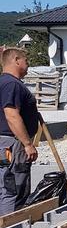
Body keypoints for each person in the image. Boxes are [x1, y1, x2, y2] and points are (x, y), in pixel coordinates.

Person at [0, 48, 42, 215]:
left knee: (6, 187)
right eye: (26, 60)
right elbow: (11, 115)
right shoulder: (12, 84)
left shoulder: (4, 82)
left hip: (6, 142)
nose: (28, 64)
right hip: (13, 143)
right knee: (14, 189)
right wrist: (27, 143)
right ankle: (11, 227)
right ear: (17, 60)